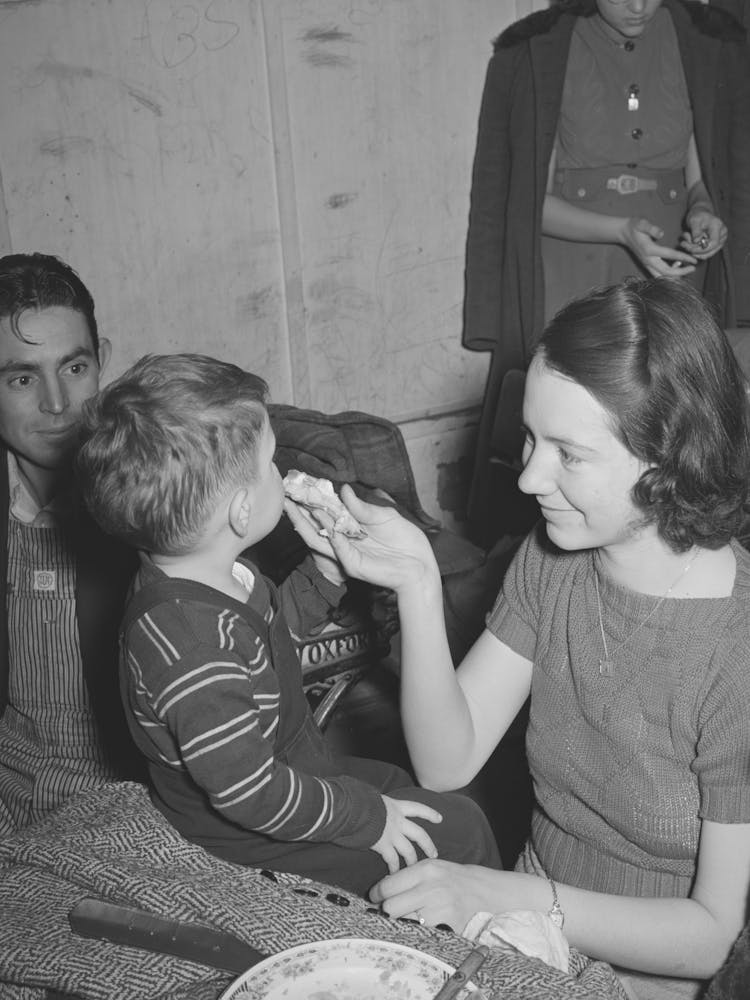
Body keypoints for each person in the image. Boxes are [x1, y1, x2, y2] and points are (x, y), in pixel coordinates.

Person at [302, 278, 750, 998]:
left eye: (569, 454)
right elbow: (449, 760)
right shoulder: (550, 560)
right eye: (530, 439)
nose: (532, 476)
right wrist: (416, 583)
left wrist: (502, 897)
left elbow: (709, 937)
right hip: (525, 931)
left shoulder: (736, 647)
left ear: (671, 463)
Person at [74, 353, 501, 897]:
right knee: (457, 833)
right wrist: (364, 819)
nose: (282, 473)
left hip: (298, 766)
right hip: (252, 835)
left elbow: (270, 646)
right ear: (242, 511)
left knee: (406, 788)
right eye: (272, 461)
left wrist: (324, 570)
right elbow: (252, 792)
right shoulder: (191, 646)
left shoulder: (210, 574)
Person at [463, 0, 750, 545]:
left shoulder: (702, 41)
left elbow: (697, 174)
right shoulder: (542, 48)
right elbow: (528, 206)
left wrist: (703, 211)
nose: (639, 5)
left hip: (668, 268)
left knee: (664, 431)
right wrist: (620, 231)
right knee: (582, 434)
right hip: (576, 267)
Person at [0, 251, 142, 836]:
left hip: (133, 813)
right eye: (23, 378)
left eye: (75, 368)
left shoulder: (154, 495)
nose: (57, 404)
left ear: (102, 362)